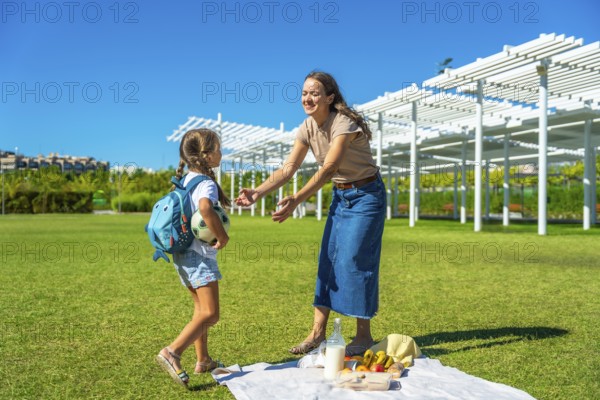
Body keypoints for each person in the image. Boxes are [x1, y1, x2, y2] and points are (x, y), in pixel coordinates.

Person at [235, 71, 386, 357]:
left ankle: (363, 336)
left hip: (367, 196)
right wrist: (258, 192)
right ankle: (317, 333)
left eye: (315, 93)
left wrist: (297, 200)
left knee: (356, 260)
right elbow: (288, 168)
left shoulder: (344, 123)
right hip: (341, 196)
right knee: (327, 260)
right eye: (305, 93)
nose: (308, 98)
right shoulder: (306, 127)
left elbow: (329, 168)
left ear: (329, 97)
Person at [156, 128, 230, 388]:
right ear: (207, 155)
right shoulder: (206, 183)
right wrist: (222, 236)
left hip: (182, 254)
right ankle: (172, 352)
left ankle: (204, 360)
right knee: (211, 313)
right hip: (199, 256)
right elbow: (205, 208)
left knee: (200, 310)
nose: (222, 153)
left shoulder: (187, 180)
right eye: (219, 149)